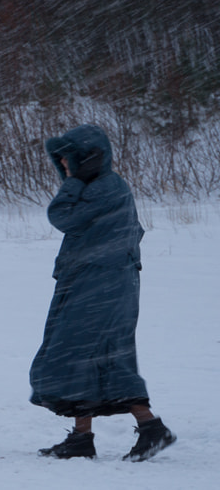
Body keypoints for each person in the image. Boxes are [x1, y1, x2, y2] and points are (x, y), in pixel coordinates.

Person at [29, 124, 176, 461]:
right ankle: (82, 438)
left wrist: (75, 181)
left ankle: (152, 428)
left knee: (103, 357)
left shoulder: (106, 187)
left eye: (70, 160)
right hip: (91, 281)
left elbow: (62, 217)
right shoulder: (97, 186)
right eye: (63, 161)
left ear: (88, 159)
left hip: (104, 284)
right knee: (81, 357)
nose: (64, 166)